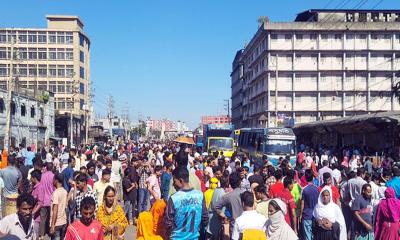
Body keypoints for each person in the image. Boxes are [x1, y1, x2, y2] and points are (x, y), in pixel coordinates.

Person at [165, 166, 208, 239]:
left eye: (174, 181)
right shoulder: (200, 195)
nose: (173, 184)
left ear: (181, 180)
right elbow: (205, 218)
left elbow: (168, 223)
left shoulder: (174, 198)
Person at [214, 171, 243, 236]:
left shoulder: (227, 196)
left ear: (230, 182)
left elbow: (216, 206)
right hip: (245, 226)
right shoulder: (246, 194)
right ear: (239, 182)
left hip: (234, 226)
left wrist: (223, 215)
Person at [38, 162, 55, 240]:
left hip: (44, 200)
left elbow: (41, 187)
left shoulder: (42, 176)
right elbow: (54, 188)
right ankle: (50, 232)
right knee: (51, 217)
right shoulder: (53, 176)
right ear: (52, 168)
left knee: (42, 218)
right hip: (51, 200)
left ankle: (41, 235)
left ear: (46, 168)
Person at [300, 169, 319, 240]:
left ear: (305, 177)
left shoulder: (304, 190)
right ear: (312, 177)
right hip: (315, 215)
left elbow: (302, 203)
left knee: (307, 236)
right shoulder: (317, 189)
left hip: (306, 215)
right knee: (314, 235)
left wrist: (301, 214)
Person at [49, 173, 68, 240]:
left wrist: (52, 225)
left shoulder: (56, 193)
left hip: (57, 223)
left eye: (53, 179)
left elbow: (55, 211)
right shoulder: (65, 191)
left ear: (56, 180)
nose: (52, 181)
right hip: (64, 222)